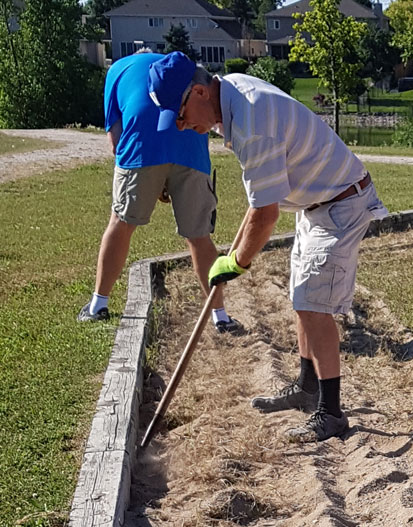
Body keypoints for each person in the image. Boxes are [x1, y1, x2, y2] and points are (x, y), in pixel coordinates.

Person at [148, 52, 388, 443]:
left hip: (341, 204)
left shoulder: (251, 123)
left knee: (314, 305)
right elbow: (261, 198)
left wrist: (237, 263)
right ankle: (307, 387)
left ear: (199, 92)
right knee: (302, 299)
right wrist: (232, 254)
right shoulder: (232, 94)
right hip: (316, 204)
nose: (182, 125)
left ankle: (331, 413)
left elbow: (266, 214)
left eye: (180, 115)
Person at [78, 50, 240, 334]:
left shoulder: (117, 70)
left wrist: (150, 177)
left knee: (121, 223)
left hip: (141, 144)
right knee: (199, 236)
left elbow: (115, 141)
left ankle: (98, 305)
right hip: (191, 145)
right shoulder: (176, 70)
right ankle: (220, 316)